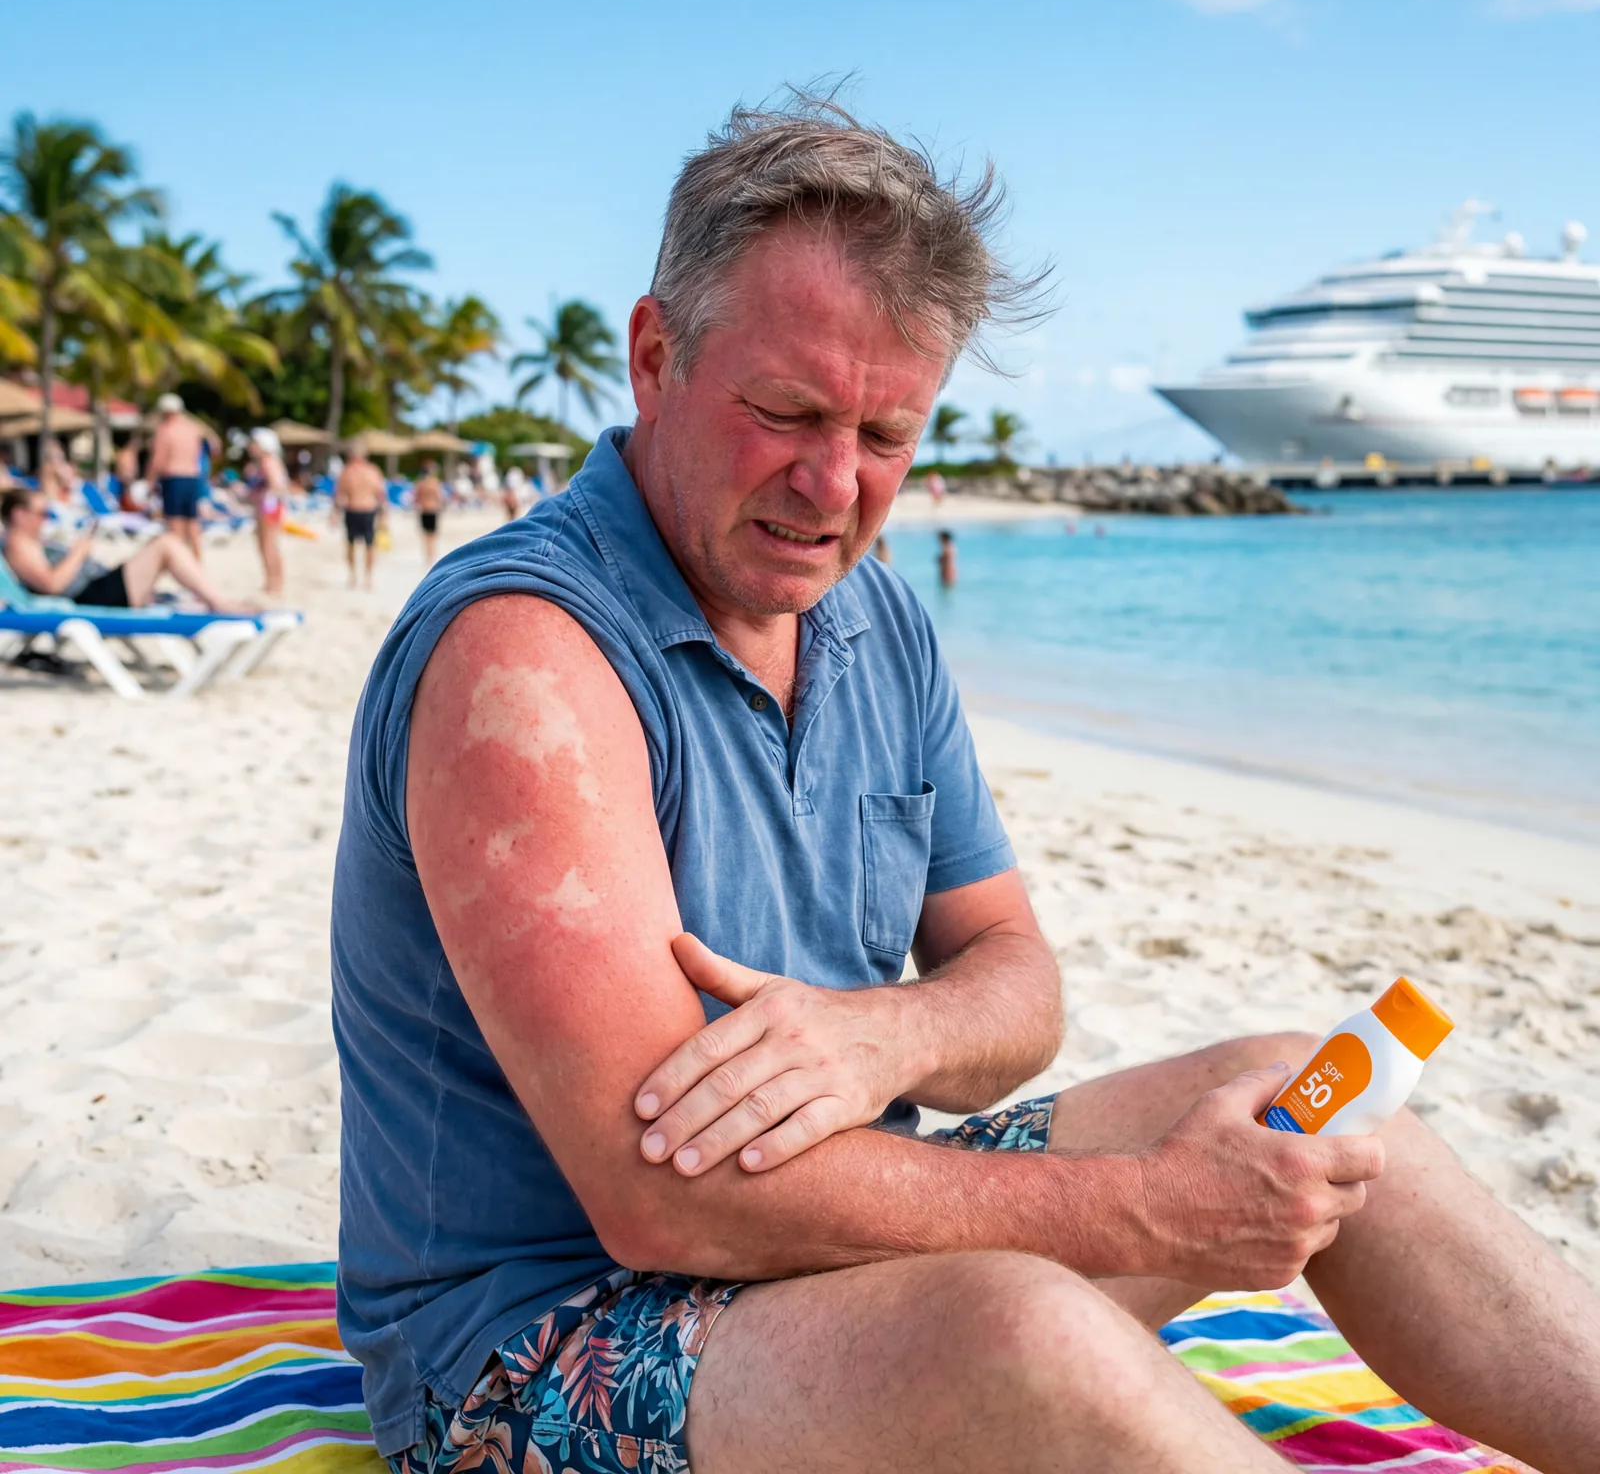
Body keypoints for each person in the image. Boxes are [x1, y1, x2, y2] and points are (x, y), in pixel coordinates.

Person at [331, 102, 1600, 1474]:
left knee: (1317, 1099)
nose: (834, 485)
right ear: (656, 357)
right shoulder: (526, 657)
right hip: (535, 1344)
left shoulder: (874, 618)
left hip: (821, 1251)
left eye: (887, 432)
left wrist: (886, 1038)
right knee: (1023, 1333)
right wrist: (1147, 1216)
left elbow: (1018, 985)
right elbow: (661, 1207)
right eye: (787, 413)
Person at [1, 487, 249, 614]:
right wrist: (79, 552)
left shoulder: (30, 542)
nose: (45, 519)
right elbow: (52, 585)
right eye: (42, 513)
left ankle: (211, 599)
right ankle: (218, 602)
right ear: (18, 514)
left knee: (167, 546)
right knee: (166, 544)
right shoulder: (18, 545)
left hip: (97, 588)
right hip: (91, 596)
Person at [146, 393, 208, 558]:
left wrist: (150, 481)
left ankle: (181, 563)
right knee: (192, 522)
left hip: (173, 478)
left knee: (175, 524)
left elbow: (158, 459)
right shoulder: (193, 428)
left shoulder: (165, 430)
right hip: (193, 478)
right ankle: (197, 560)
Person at [334, 440, 388, 590]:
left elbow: (339, 496)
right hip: (369, 510)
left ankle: (353, 576)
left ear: (350, 455)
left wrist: (335, 515)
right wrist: (384, 516)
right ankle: (368, 578)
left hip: (352, 510)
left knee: (351, 545)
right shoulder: (373, 471)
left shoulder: (346, 472)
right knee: (370, 546)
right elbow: (381, 495)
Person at [244, 427, 290, 597]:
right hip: (269, 507)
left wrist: (263, 499)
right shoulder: (268, 461)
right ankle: (272, 581)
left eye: (253, 444)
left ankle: (274, 582)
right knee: (268, 545)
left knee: (268, 545)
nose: (251, 447)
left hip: (269, 507)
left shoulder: (267, 461)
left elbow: (275, 486)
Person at [413, 460, 445, 568]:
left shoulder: (420, 483)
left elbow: (416, 498)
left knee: (425, 536)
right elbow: (440, 497)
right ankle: (432, 558)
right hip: (433, 510)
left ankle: (426, 558)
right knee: (433, 536)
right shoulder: (435, 483)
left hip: (423, 510)